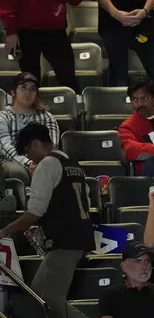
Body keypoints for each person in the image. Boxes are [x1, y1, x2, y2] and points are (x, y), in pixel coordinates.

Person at [0, 123, 94, 318]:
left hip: (64, 240)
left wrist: (6, 230)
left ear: (34, 144)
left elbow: (35, 211)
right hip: (80, 235)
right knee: (38, 296)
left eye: (27, 152)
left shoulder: (46, 164)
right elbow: (83, 200)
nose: (29, 159)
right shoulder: (72, 163)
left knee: (49, 300)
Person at [0, 73, 59, 185]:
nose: (28, 93)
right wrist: (28, 163)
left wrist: (40, 164)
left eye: (33, 89)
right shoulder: (3, 117)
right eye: (23, 88)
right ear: (13, 92)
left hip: (42, 162)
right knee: (18, 172)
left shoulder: (47, 117)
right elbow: (5, 146)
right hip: (12, 162)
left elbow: (51, 146)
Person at [98, 241, 154, 318]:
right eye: (138, 261)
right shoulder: (111, 296)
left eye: (147, 261)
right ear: (124, 267)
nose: (144, 267)